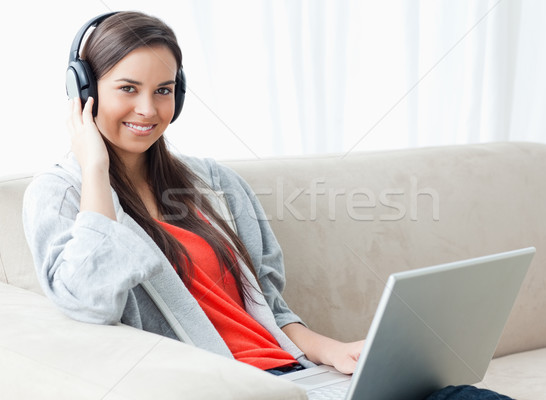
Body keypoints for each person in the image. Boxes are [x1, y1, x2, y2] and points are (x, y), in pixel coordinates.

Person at [22, 11, 513, 399]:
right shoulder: (61, 195)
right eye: (127, 89)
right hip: (228, 391)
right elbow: (88, 303)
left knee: (466, 396)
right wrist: (93, 171)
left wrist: (333, 352)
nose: (149, 110)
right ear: (82, 91)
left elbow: (272, 309)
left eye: (164, 90)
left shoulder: (212, 182)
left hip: (298, 381)